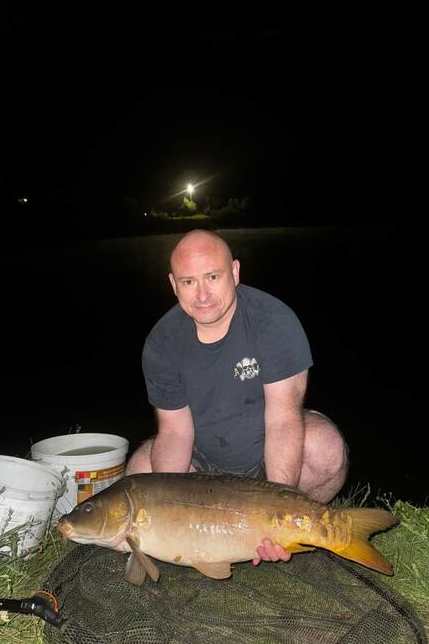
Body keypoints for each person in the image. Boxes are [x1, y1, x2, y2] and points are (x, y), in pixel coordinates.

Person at [126, 229, 349, 564]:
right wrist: (164, 506)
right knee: (138, 476)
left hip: (266, 453)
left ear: (235, 272)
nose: (202, 294)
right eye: (188, 282)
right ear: (173, 284)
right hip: (202, 460)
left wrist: (276, 512)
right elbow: (175, 431)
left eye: (213, 277)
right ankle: (207, 540)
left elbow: (283, 420)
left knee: (327, 450)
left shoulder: (274, 322)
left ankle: (296, 530)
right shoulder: (162, 342)